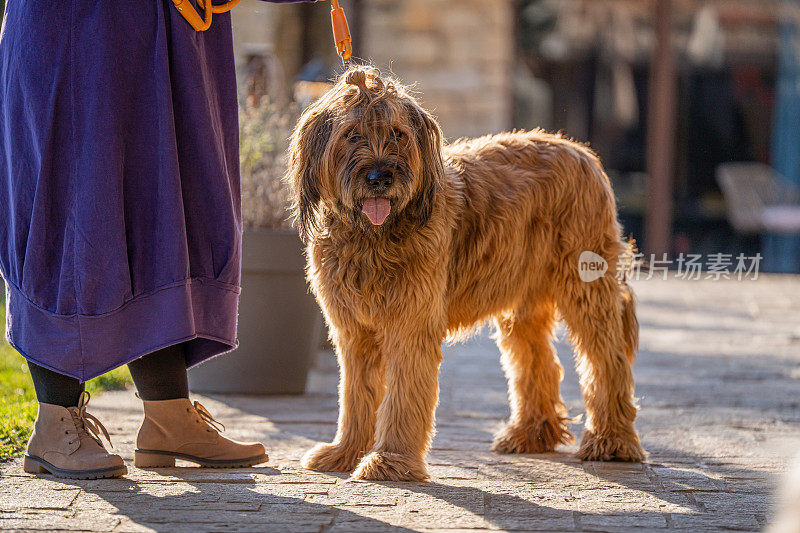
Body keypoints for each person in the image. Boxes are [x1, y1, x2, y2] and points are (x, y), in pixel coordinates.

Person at [0, 0, 313, 479]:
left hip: (173, 30)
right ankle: (55, 423)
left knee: (167, 210)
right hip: (77, 27)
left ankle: (168, 416)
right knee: (72, 203)